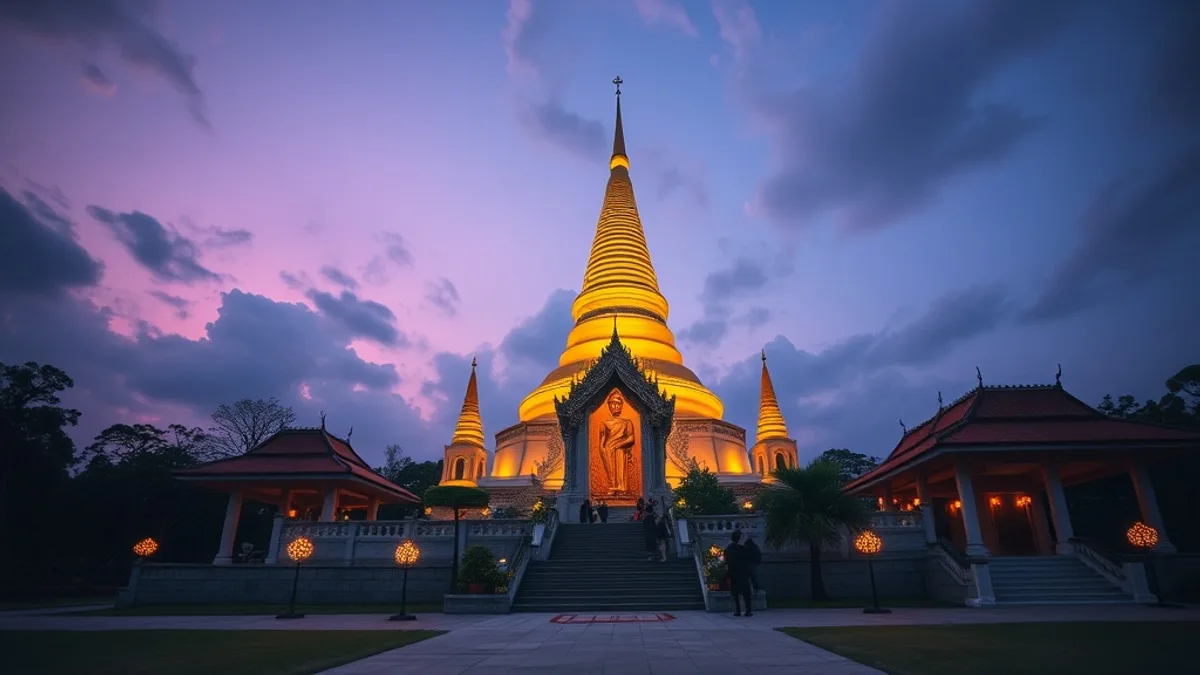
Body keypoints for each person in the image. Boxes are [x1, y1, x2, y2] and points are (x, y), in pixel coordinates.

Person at [724, 530, 753, 617]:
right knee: (746, 593)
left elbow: (727, 560)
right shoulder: (743, 548)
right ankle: (747, 610)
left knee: (736, 593)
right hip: (742, 573)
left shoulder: (730, 548)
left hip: (735, 574)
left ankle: (738, 610)